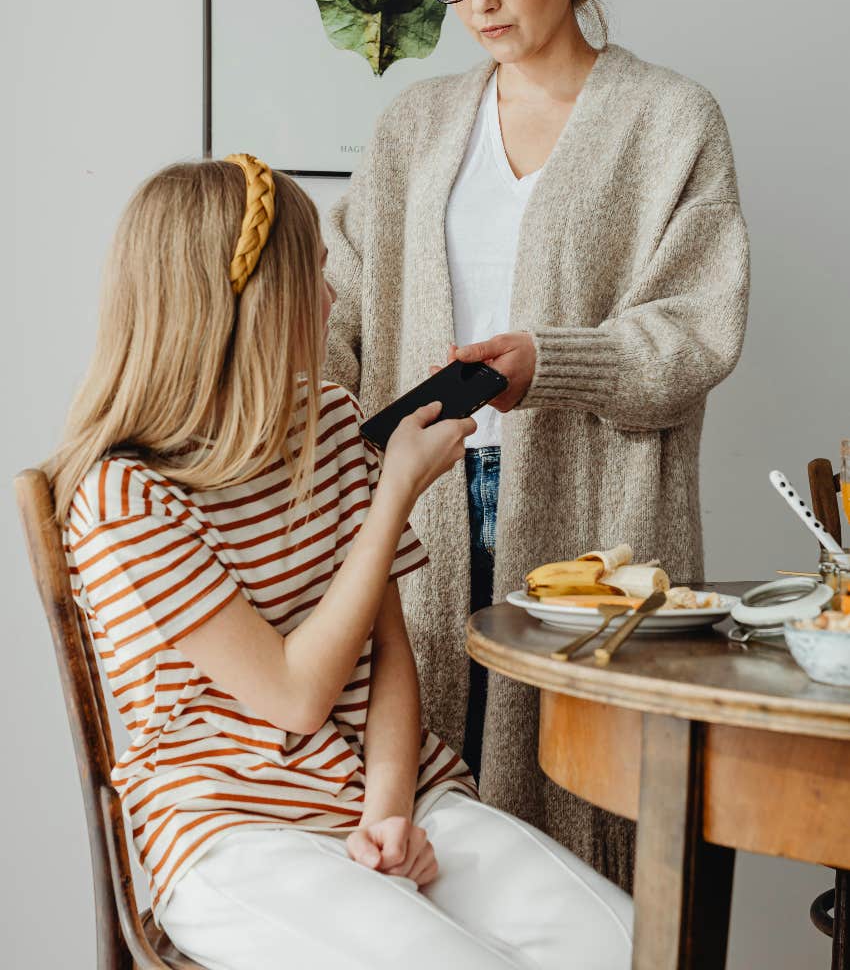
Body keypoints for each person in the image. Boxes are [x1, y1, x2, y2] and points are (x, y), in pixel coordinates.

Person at [47, 156, 633, 969]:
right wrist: (396, 492)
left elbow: (390, 652)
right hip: (233, 830)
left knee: (632, 945)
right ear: (246, 304)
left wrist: (389, 815)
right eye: (311, 275)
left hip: (386, 787)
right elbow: (295, 695)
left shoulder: (328, 420)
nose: (331, 299)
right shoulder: (125, 497)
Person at [324, 0, 750, 889]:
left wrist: (547, 361)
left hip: (594, 522)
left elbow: (694, 332)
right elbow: (336, 309)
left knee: (582, 818)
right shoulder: (414, 126)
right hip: (415, 503)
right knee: (424, 811)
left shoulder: (669, 120)